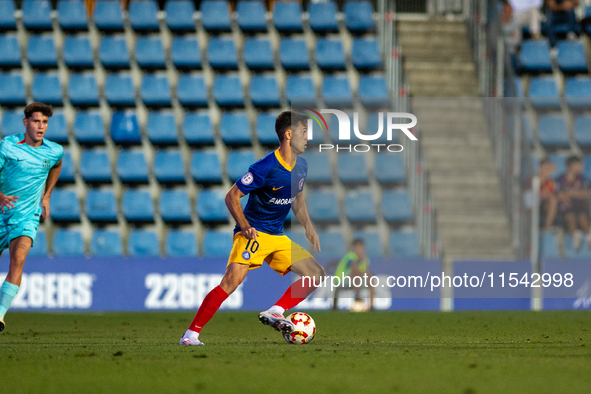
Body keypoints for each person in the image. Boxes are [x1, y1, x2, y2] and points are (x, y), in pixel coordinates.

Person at [179, 111, 325, 346]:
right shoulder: (265, 167)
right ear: (288, 134)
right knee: (231, 282)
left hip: (277, 236)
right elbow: (232, 196)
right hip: (253, 233)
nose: (308, 138)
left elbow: (296, 198)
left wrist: (308, 226)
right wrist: (245, 226)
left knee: (316, 274)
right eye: (303, 132)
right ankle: (190, 335)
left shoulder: (302, 167)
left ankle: (276, 311)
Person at [0, 102, 63, 332]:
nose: (41, 126)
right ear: (26, 122)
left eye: (45, 122)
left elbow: (57, 165)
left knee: (18, 259)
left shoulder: (54, 150)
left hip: (27, 216)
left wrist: (46, 196)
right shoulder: (7, 146)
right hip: (1, 213)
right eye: (36, 121)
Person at [556, 155, 591, 250]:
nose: (581, 167)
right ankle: (575, 238)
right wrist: (575, 194)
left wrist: (570, 194)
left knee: (583, 217)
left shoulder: (582, 179)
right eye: (578, 164)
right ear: (571, 165)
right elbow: (559, 195)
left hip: (579, 206)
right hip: (566, 208)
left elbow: (585, 193)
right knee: (571, 217)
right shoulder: (561, 179)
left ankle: (589, 237)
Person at [333, 239, 374, 311]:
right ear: (354, 248)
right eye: (358, 248)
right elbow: (354, 268)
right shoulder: (350, 256)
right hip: (341, 279)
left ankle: (372, 306)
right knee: (356, 272)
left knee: (371, 279)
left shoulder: (364, 259)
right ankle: (357, 297)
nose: (360, 250)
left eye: (362, 248)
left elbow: (366, 272)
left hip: (355, 281)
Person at [539, 158, 558, 230]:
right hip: (534, 203)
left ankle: (547, 227)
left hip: (545, 204)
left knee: (553, 200)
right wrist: (545, 173)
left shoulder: (551, 181)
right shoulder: (535, 177)